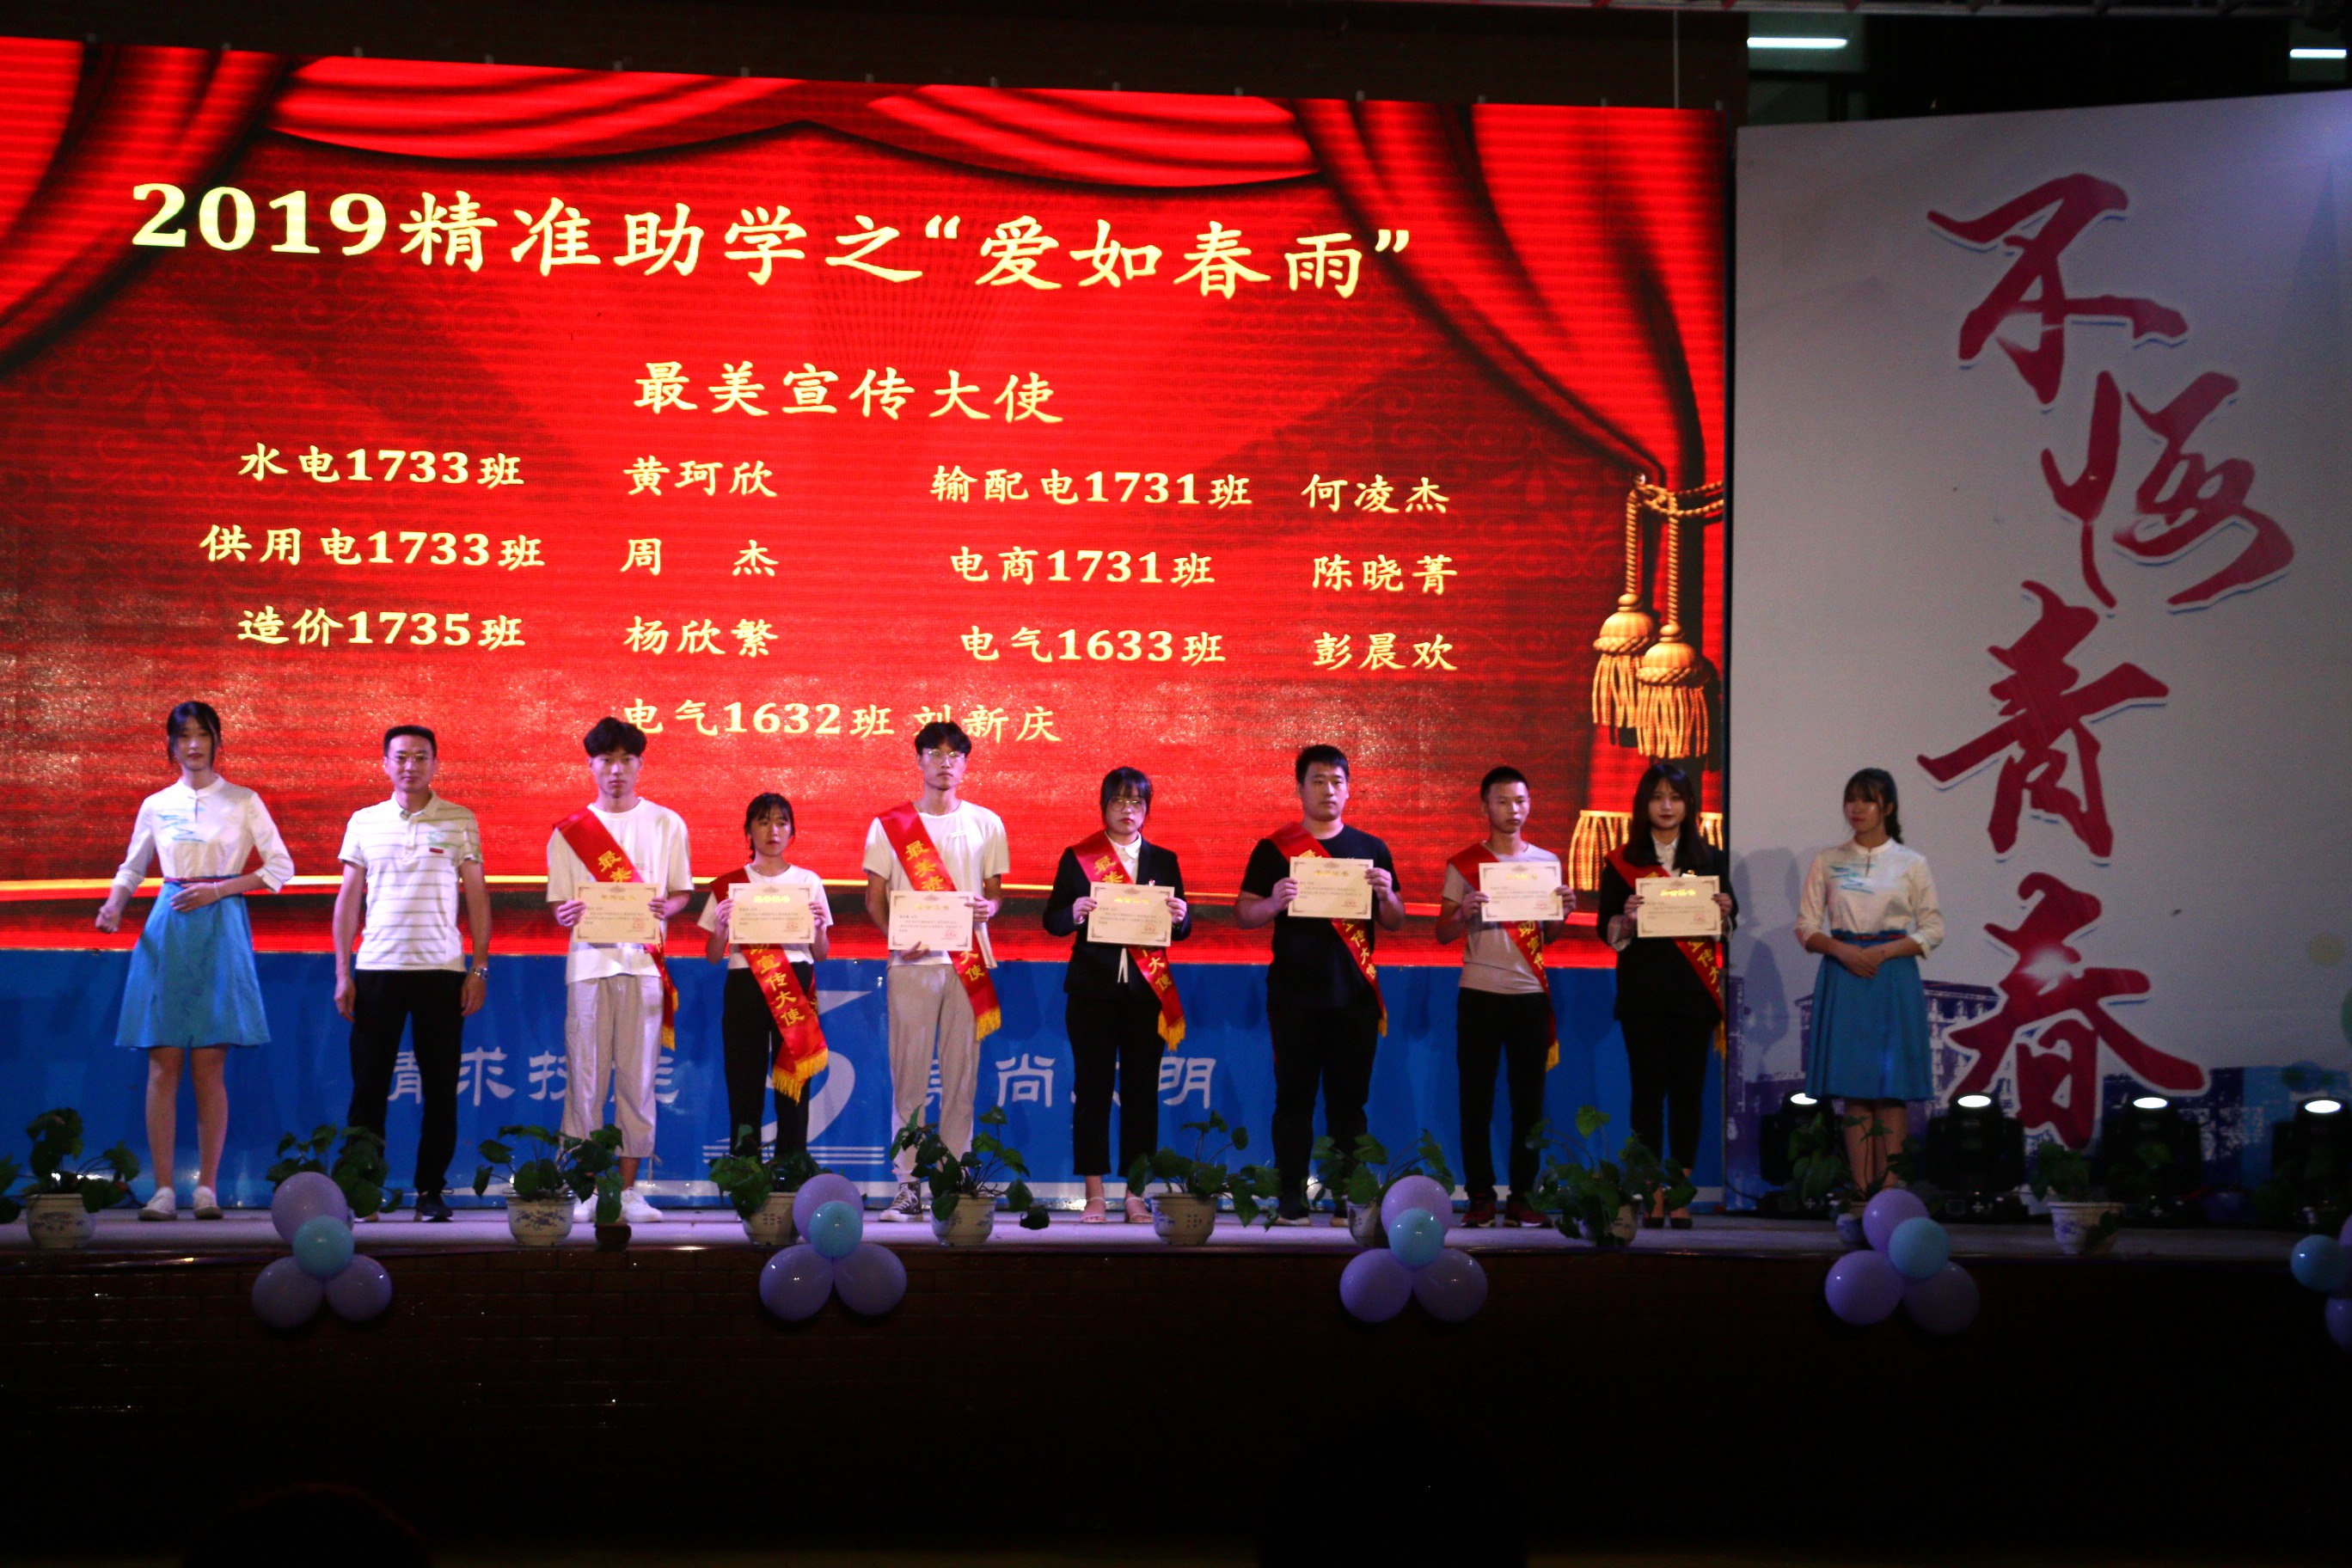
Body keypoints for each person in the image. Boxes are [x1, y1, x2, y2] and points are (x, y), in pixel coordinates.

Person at [95, 701, 293, 1221]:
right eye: (183, 735)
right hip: (169, 925)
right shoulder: (157, 804)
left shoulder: (244, 800)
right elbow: (133, 867)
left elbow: (280, 867)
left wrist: (219, 889)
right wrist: (115, 904)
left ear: (217, 741)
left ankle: (206, 1187)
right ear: (171, 745)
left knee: (209, 1064)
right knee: (163, 1063)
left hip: (220, 924)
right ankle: (163, 1189)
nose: (193, 744)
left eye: (202, 734)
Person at [1235, 744, 1403, 1225]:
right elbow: (1243, 913)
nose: (1328, 790)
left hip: (1354, 997)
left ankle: (1347, 1195)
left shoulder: (1372, 849)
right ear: (1300, 789)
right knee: (1294, 1100)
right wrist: (1273, 903)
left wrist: (1386, 895)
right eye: (1318, 781)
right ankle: (1291, 1194)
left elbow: (1395, 919)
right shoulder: (1275, 849)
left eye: (1337, 781)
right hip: (1294, 995)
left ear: (1348, 790)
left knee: (1349, 1104)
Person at [333, 725, 491, 1223]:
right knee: (368, 1087)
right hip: (377, 968)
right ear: (385, 763)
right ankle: (362, 1191)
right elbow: (348, 901)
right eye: (400, 757)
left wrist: (479, 967)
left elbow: (478, 897)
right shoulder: (364, 821)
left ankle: (430, 1191)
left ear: (435, 764)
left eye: (421, 757)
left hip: (441, 970)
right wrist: (342, 971)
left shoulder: (460, 820)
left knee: (440, 1089)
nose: (410, 766)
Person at [546, 717, 692, 1225]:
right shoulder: (569, 832)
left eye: (626, 760)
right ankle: (586, 1188)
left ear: (640, 765)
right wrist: (564, 913)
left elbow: (681, 892)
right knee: (585, 1079)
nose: (616, 770)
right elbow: (560, 903)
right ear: (590, 765)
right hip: (588, 968)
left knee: (638, 1079)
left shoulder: (667, 823)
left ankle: (629, 1192)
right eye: (606, 760)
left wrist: (667, 908)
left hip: (644, 968)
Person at [862, 721, 1008, 1221]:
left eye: (955, 755)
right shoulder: (889, 825)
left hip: (968, 963)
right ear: (919, 760)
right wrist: (896, 939)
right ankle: (908, 1185)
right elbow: (874, 898)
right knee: (909, 1080)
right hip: (912, 965)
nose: (946, 763)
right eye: (935, 753)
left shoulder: (987, 822)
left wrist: (989, 908)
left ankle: (952, 1181)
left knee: (961, 1080)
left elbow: (994, 893)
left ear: (965, 763)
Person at [1042, 767, 1191, 1223]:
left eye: (1136, 802)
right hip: (1092, 991)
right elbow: (1052, 921)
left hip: (1146, 993)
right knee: (1092, 1090)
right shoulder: (1078, 857)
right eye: (1118, 802)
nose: (1128, 810)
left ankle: (1134, 1194)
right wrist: (1073, 912)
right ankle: (1093, 1194)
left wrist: (1181, 916)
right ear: (1103, 807)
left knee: (1142, 1094)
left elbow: (1181, 928)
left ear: (1147, 809)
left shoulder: (1164, 860)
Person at [1434, 766, 1575, 1228]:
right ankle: (1480, 1196)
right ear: (1485, 806)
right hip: (1479, 992)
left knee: (1528, 1103)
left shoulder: (1547, 863)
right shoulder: (1465, 864)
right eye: (1503, 801)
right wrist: (1463, 913)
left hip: (1529, 994)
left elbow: (1549, 936)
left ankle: (1521, 1197)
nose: (1513, 810)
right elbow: (1442, 932)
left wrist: (1562, 913)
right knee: (1475, 1100)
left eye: (1521, 801)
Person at [1597, 762, 1737, 1228]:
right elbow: (1604, 929)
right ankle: (1650, 1191)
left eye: (1675, 797)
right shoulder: (1622, 861)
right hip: (1644, 995)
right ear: (1643, 804)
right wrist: (1626, 919)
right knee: (1647, 1095)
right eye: (1657, 797)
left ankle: (1680, 1192)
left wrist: (1724, 912)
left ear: (1689, 804)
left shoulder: (1711, 858)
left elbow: (1728, 924)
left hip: (1693, 996)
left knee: (1687, 1095)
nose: (1666, 806)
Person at [1793, 767, 1944, 1195]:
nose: (1857, 808)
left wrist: (1883, 952)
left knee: (1891, 1091)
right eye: (1851, 799)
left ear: (1888, 808)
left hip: (1891, 974)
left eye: (1868, 800)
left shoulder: (1911, 863)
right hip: (1844, 974)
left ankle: (1890, 1191)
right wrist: (1842, 951)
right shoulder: (1828, 860)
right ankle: (1862, 1192)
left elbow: (1933, 928)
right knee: (1855, 1090)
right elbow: (1806, 926)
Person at [701, 793, 832, 1165]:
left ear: (792, 831)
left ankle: (791, 1166)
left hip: (795, 981)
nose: (773, 830)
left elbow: (821, 952)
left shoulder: (808, 881)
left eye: (781, 822)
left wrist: (818, 927)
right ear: (748, 831)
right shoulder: (730, 886)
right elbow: (712, 955)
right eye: (763, 822)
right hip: (744, 983)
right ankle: (745, 1170)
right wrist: (721, 928)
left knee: (794, 1084)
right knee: (744, 1081)